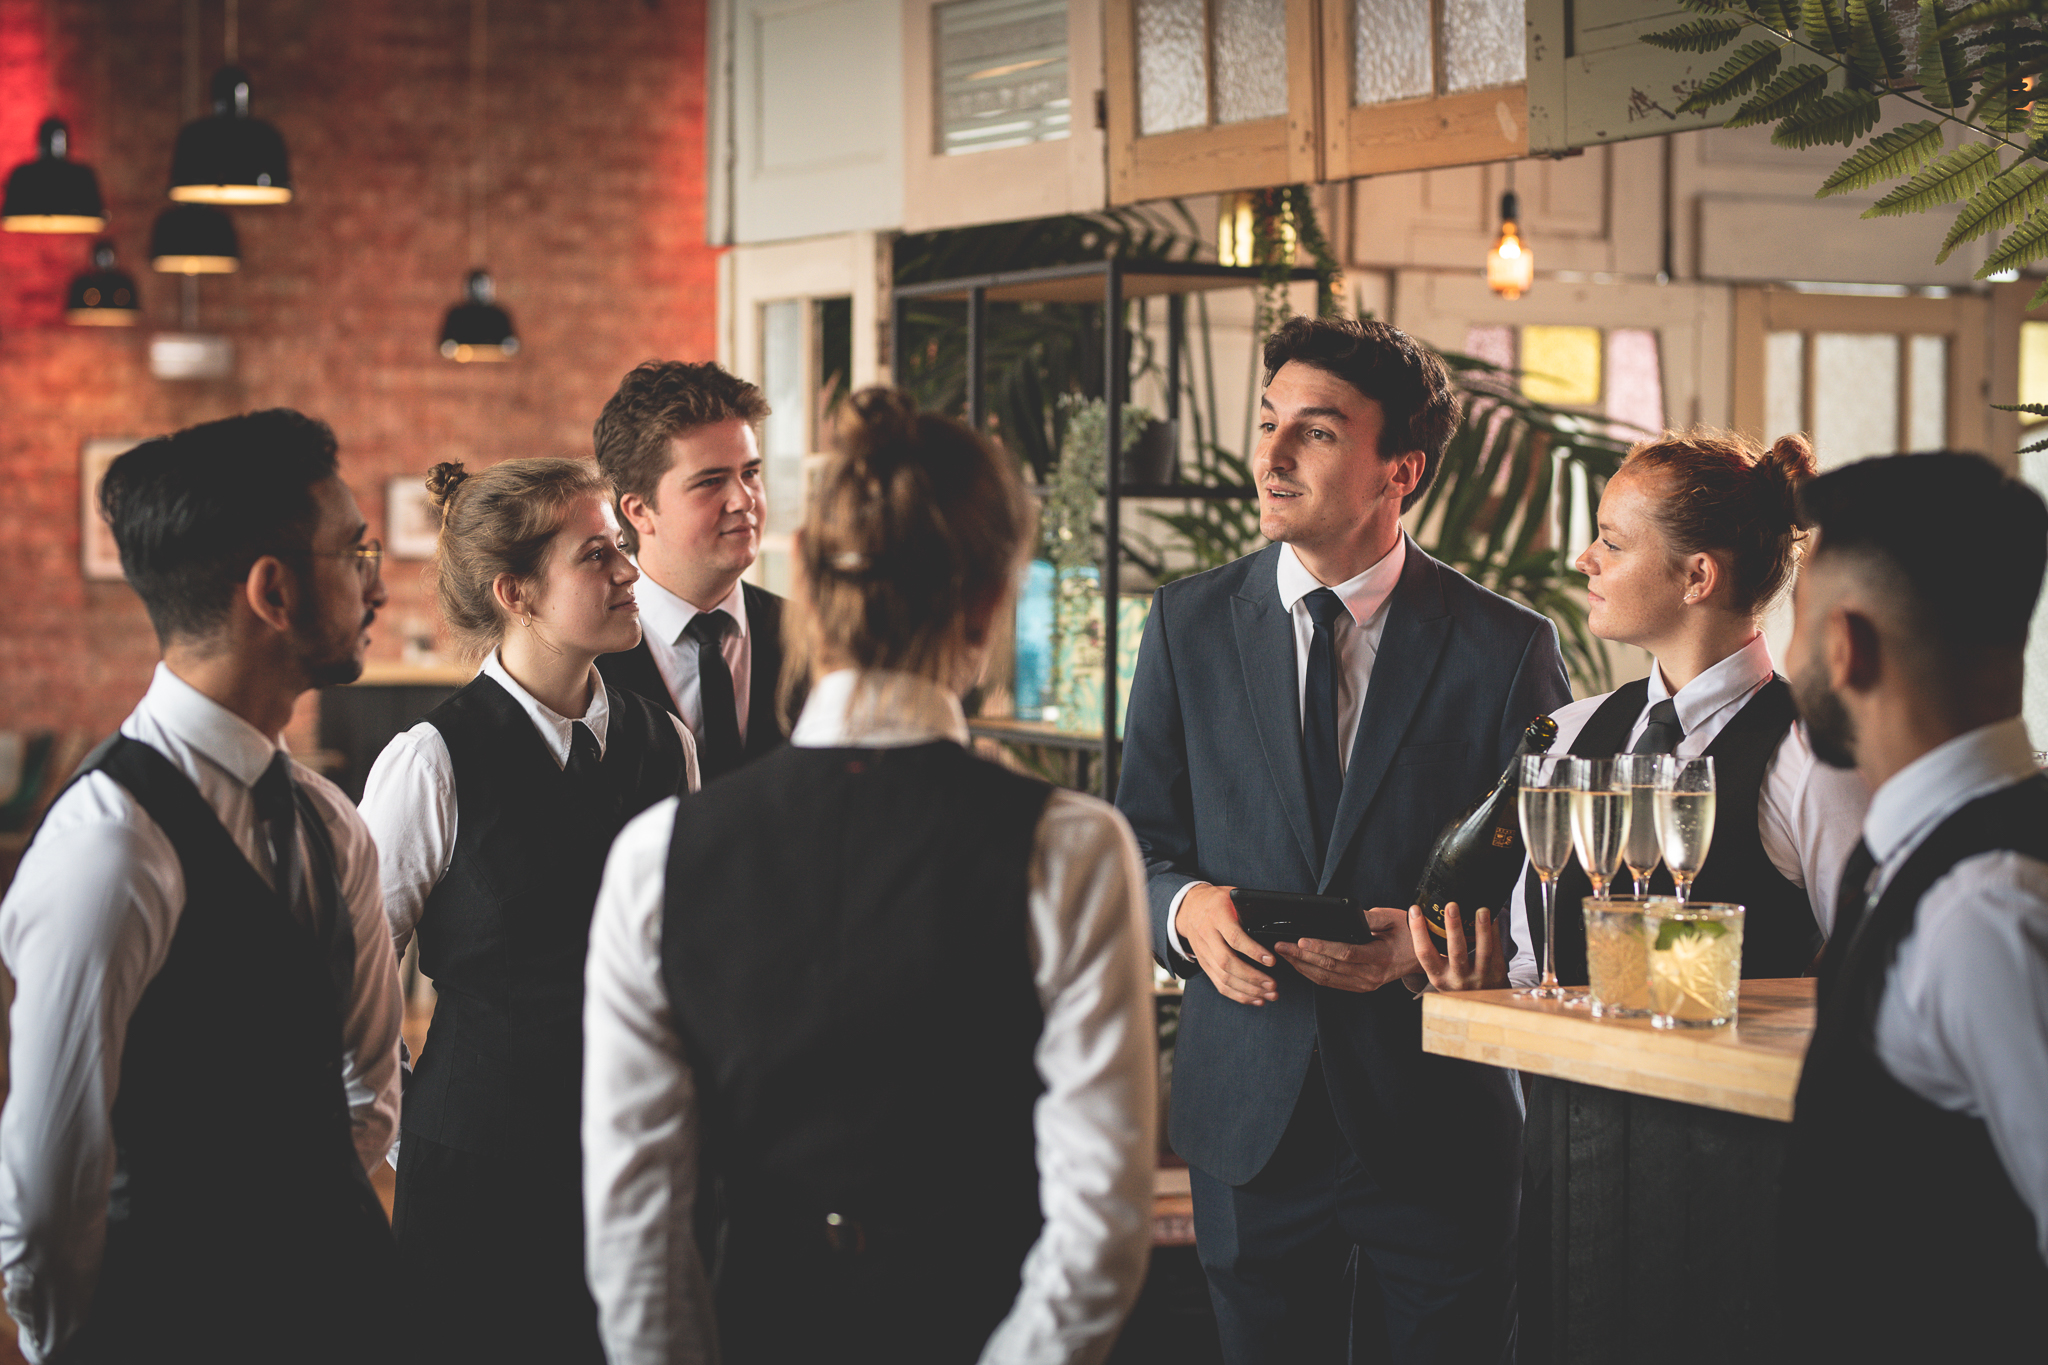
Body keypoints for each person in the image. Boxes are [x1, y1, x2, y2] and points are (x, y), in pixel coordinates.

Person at [583, 388, 1157, 1364]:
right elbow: (1099, 1218)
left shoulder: (658, 854)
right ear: (990, 594)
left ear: (802, 573)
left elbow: (634, 1221)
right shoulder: (1069, 844)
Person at [1115, 316, 1572, 1363]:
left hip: (1436, 1112)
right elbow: (1134, 841)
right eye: (1268, 422)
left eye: (1313, 434)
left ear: (1398, 469)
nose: (1268, 458)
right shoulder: (1186, 624)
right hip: (1248, 1114)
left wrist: (1425, 948)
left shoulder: (1505, 645)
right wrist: (1185, 913)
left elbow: (1550, 874)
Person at [0, 411, 404, 1363]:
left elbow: (369, 1092)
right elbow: (53, 1181)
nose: (378, 582)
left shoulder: (327, 819)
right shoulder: (110, 847)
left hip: (340, 1312)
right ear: (273, 589)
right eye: (355, 551)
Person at [358, 458, 697, 1364]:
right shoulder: (429, 761)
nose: (631, 571)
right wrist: (404, 1125)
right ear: (516, 592)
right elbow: (343, 981)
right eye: (599, 555)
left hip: (633, 1166)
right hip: (474, 1173)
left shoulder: (667, 745)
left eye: (624, 548)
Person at [1418, 431, 1869, 993]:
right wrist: (1487, 993)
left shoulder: (1814, 753)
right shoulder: (1567, 735)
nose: (1585, 561)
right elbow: (1534, 972)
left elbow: (1872, 971)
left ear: (1697, 577)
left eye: (1612, 542)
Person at [1781, 452, 2048, 1358]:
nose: (1789, 658)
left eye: (1798, 622)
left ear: (1845, 646)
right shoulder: (1928, 858)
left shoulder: (1984, 906)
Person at [592, 360, 787, 780]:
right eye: (711, 481)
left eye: (750, 473)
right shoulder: (583, 659)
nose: (744, 500)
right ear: (640, 511)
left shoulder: (814, 635)